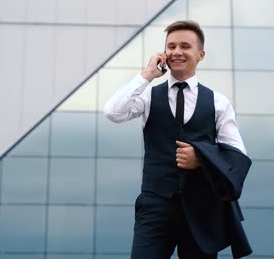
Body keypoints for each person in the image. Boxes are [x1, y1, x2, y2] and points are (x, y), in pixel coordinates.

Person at [104, 20, 249, 259]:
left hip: (202, 209)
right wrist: (148, 74)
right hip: (155, 205)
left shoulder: (218, 102)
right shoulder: (149, 95)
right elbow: (113, 112)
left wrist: (202, 158)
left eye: (185, 46)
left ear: (200, 54)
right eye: (171, 46)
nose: (177, 52)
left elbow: (237, 156)